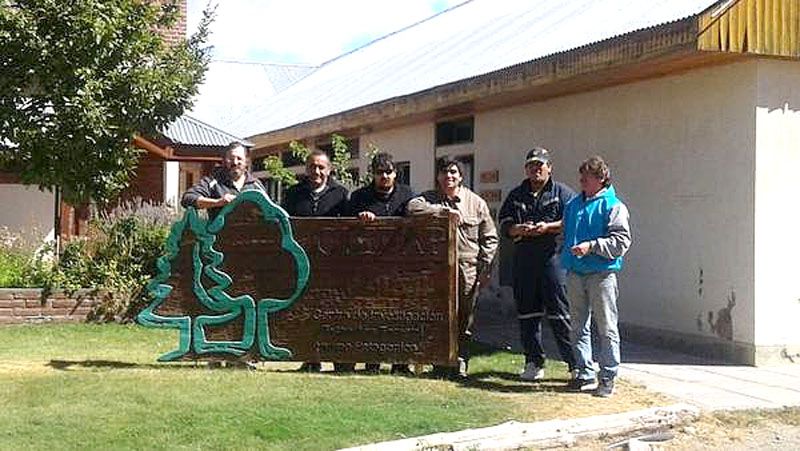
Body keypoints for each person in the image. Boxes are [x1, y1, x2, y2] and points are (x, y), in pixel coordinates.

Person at [407, 159, 498, 378]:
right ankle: (439, 360)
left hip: (467, 267)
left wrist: (485, 268)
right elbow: (412, 208)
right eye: (444, 172)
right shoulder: (428, 199)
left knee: (464, 318)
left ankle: (460, 361)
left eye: (454, 172)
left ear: (461, 176)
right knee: (438, 315)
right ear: (438, 176)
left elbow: (490, 238)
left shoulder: (476, 203)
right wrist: (442, 212)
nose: (449, 176)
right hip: (437, 268)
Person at [498, 147, 577, 382]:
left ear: (549, 168)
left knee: (560, 315)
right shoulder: (516, 195)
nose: (536, 169)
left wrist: (547, 227)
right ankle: (534, 362)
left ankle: (575, 365)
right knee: (527, 315)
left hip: (553, 261)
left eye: (541, 165)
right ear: (526, 169)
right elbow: (504, 223)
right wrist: (517, 229)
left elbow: (572, 221)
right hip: (524, 262)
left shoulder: (562, 193)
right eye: (532, 165)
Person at [561, 155, 632, 398]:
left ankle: (608, 376)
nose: (581, 182)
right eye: (580, 178)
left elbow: (621, 242)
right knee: (578, 325)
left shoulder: (614, 206)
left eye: (586, 178)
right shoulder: (572, 205)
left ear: (601, 179)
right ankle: (584, 372)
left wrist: (592, 246)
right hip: (575, 272)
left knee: (606, 327)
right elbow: (565, 234)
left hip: (602, 274)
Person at [283, 150, 350, 373]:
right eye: (312, 166)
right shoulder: (293, 194)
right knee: (306, 311)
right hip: (300, 263)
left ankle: (339, 359)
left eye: (321, 167)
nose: (317, 172)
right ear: (306, 169)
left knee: (333, 311)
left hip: (331, 265)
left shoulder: (341, 194)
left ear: (329, 169)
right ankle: (311, 358)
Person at [348, 152, 415, 374]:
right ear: (372, 174)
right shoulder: (359, 198)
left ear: (395, 173)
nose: (384, 176)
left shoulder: (408, 195)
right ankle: (372, 362)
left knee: (399, 315)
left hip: (399, 265)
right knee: (372, 315)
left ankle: (401, 363)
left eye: (388, 172)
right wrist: (361, 220)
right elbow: (347, 230)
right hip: (370, 266)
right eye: (379, 172)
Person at [181, 142, 267, 218]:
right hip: (220, 234)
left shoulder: (256, 185)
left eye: (239, 158)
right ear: (224, 161)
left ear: (246, 161)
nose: (235, 162)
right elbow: (187, 199)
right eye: (231, 159)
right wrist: (218, 202)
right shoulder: (213, 181)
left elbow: (268, 210)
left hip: (253, 234)